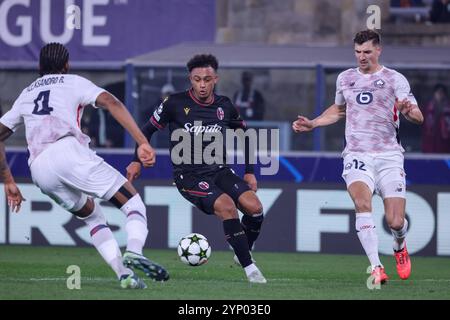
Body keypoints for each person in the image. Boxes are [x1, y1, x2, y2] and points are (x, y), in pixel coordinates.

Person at [0, 43, 169, 289]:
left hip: (39, 170)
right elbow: (112, 102)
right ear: (66, 65)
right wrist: (142, 142)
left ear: (39, 67)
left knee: (92, 217)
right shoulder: (74, 82)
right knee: (133, 204)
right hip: (68, 152)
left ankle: (124, 274)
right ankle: (134, 251)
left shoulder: (26, 93)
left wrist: (9, 180)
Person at [292, 30, 424, 285]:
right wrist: (314, 123)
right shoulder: (346, 78)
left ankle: (399, 244)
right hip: (356, 155)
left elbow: (417, 115)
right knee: (362, 204)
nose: (361, 57)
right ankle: (376, 267)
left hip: (389, 156)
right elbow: (339, 109)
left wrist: (408, 111)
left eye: (367, 52)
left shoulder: (395, 79)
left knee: (395, 221)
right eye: (357, 52)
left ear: (378, 50)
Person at [126, 54, 267, 284]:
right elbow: (146, 129)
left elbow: (246, 135)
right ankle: (250, 268)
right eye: (197, 79)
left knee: (256, 209)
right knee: (228, 207)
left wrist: (250, 171)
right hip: (188, 176)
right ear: (190, 79)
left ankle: (242, 249)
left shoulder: (225, 106)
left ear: (216, 79)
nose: (202, 85)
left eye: (207, 79)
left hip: (220, 171)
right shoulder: (174, 103)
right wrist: (136, 159)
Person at [421, 84, 450, 153]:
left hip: (445, 141)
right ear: (434, 94)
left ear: (445, 94)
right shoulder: (428, 108)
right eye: (438, 92)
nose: (439, 94)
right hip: (430, 140)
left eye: (442, 92)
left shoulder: (448, 108)